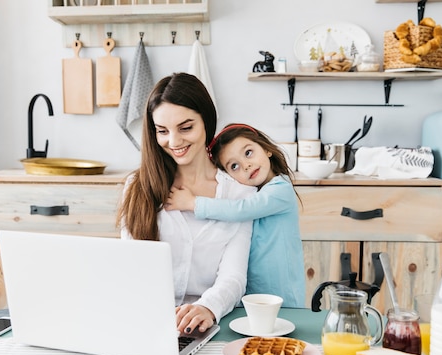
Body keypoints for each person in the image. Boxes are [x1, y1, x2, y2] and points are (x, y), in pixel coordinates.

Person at [117, 73, 255, 335]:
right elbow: (130, 266)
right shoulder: (138, 186)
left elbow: (234, 277)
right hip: (146, 322)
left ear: (206, 121)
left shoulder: (240, 195)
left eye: (186, 127)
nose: (174, 141)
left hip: (209, 326)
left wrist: (208, 307)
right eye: (162, 131)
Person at [166, 123, 306, 308]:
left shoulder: (281, 190)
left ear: (266, 149)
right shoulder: (252, 192)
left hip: (283, 295)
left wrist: (192, 203)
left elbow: (241, 209)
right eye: (234, 166)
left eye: (248, 153)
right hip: (251, 296)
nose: (246, 166)